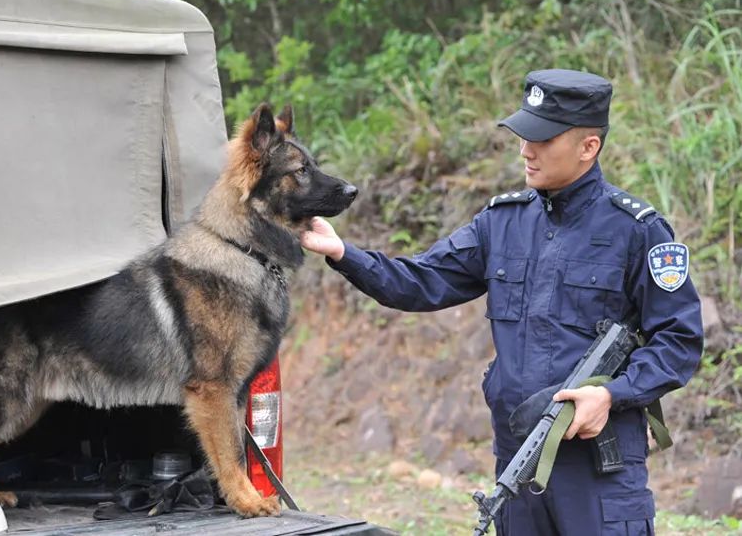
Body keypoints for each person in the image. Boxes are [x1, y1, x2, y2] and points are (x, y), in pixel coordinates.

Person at [299, 69, 703, 535]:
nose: (526, 150)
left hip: (598, 472)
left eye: (543, 140)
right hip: (518, 459)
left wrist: (611, 394)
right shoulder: (502, 222)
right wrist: (343, 253)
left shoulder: (637, 230)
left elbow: (679, 341)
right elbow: (422, 281)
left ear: (588, 147)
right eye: (523, 136)